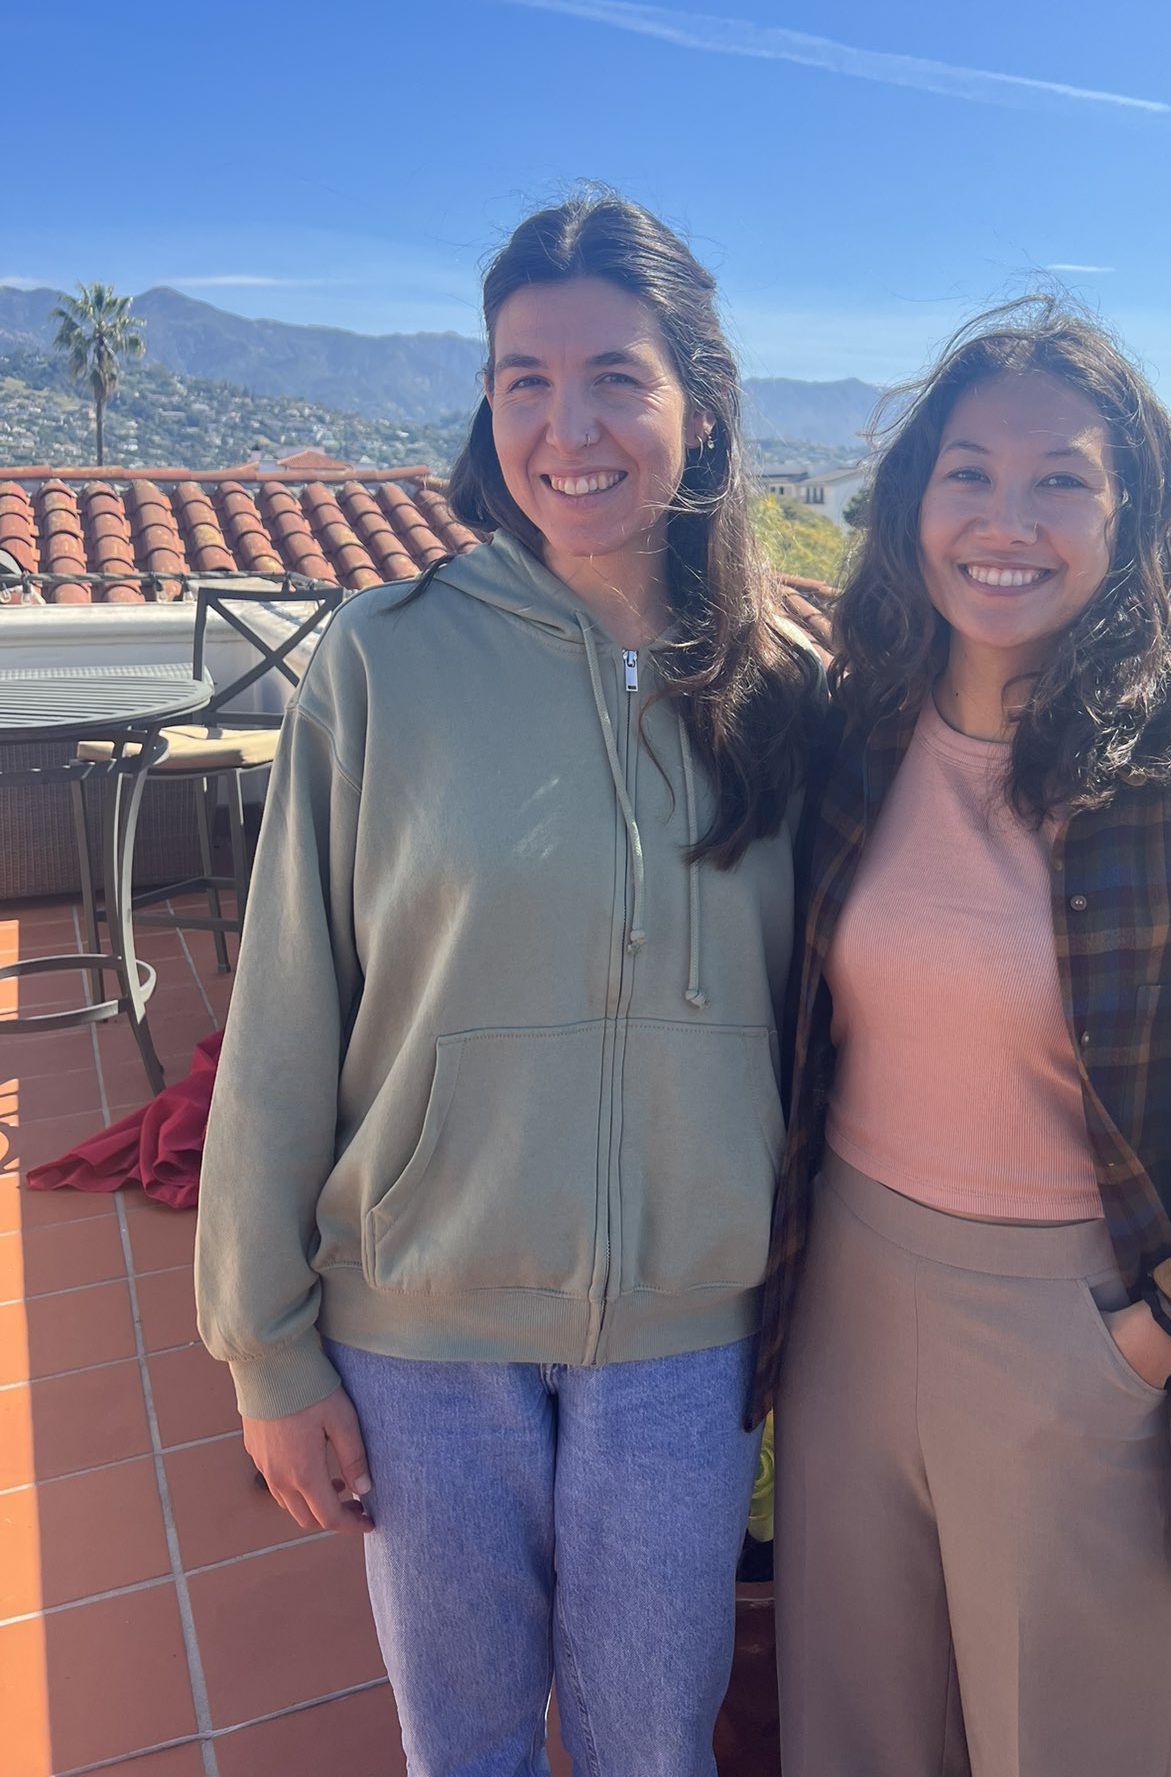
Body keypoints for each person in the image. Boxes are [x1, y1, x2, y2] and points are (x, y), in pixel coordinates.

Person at [752, 300, 1171, 1777]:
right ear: (913, 501)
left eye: (1061, 477)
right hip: (845, 1310)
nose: (1008, 519)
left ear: (1131, 517)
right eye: (967, 473)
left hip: (1075, 1332)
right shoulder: (850, 746)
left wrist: (1143, 1346)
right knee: (849, 1742)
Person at [195, 193, 819, 1777]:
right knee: (460, 1748)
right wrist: (267, 1350)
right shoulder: (383, 659)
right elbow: (283, 1016)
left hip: (686, 1338)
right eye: (521, 380)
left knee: (652, 1750)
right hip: (422, 1324)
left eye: (615, 375)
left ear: (701, 403)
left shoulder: (791, 692)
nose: (568, 425)